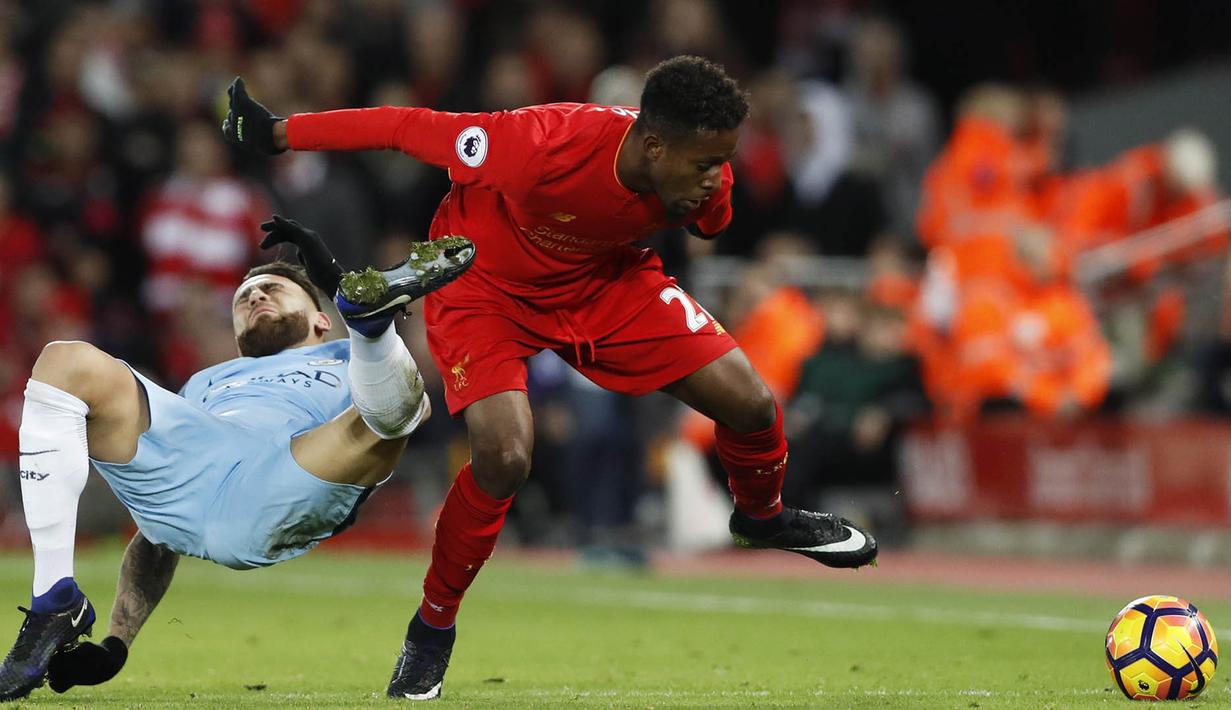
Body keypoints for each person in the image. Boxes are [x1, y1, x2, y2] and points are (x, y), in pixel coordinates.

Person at [223, 55, 878, 702]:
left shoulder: (697, 169)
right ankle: (432, 627)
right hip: (484, 284)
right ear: (651, 145)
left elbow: (714, 218)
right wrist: (279, 134)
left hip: (600, 280)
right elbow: (405, 126)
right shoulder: (541, 142)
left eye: (720, 161)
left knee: (751, 402)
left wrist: (702, 203)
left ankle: (760, 519)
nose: (716, 175)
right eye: (704, 164)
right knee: (504, 456)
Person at [0, 217, 475, 702]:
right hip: (201, 464)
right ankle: (54, 601)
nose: (254, 297)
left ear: (321, 318)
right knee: (64, 360)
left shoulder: (340, 354)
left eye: (273, 288)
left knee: (392, 413)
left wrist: (355, 322)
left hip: (292, 468)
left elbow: (418, 408)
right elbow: (158, 538)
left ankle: (375, 328)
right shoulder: (207, 380)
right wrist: (117, 644)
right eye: (244, 297)